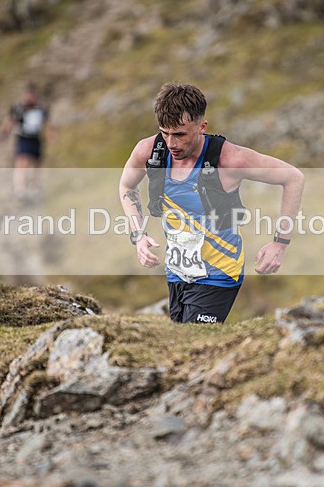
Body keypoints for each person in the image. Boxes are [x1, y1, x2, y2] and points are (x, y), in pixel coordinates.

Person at [119, 82, 305, 324]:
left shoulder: (230, 160)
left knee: (190, 345)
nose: (171, 143)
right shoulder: (149, 151)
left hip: (220, 274)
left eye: (180, 134)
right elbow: (126, 185)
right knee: (180, 347)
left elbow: (293, 178)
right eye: (164, 133)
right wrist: (139, 235)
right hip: (177, 273)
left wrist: (280, 244)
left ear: (202, 127)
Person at [0, 83, 54, 200]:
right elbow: (10, 121)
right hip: (23, 138)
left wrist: (51, 134)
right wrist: (4, 134)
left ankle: (35, 187)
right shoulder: (19, 108)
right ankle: (20, 188)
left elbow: (46, 123)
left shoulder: (41, 109)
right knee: (22, 161)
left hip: (36, 138)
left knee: (37, 163)